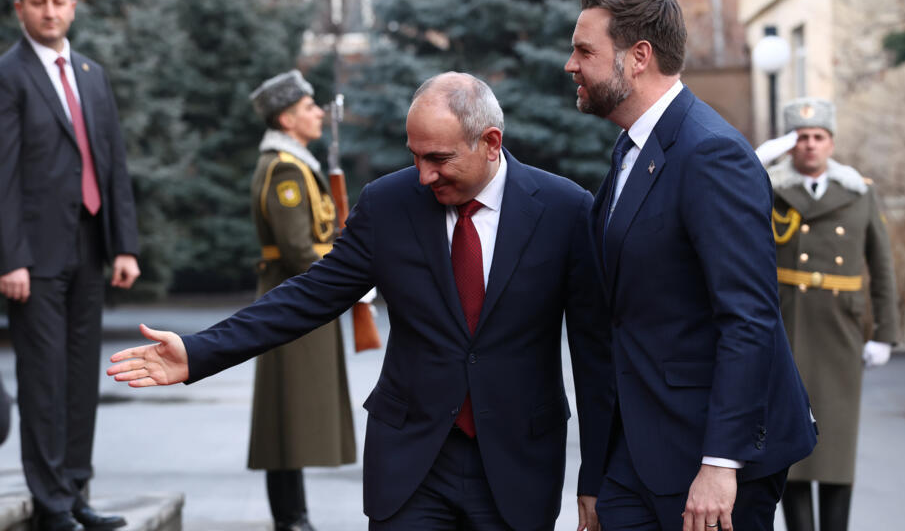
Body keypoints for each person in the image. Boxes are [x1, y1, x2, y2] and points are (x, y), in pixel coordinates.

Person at [107, 72, 615, 531]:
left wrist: (596, 478)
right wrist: (199, 352)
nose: (423, 176)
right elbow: (310, 294)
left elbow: (595, 355)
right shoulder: (388, 204)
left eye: (438, 159)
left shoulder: (565, 211)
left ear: (490, 142)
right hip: (412, 465)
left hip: (517, 467)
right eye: (414, 156)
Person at [564, 0, 817, 531]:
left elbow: (749, 317)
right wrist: (598, 471)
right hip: (641, 447)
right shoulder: (634, 146)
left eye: (585, 51)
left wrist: (721, 464)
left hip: (711, 460)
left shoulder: (710, 152)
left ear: (638, 58)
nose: (570, 65)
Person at [0, 0, 140, 531]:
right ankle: (52, 503)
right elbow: (2, 173)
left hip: (90, 246)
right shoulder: (8, 75)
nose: (50, 12)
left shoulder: (90, 73)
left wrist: (124, 246)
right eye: (39, 3)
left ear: (74, 7)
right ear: (20, 10)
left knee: (82, 377)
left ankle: (77, 490)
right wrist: (10, 256)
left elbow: (112, 164)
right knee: (44, 379)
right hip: (33, 256)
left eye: (59, 1)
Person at [769, 98, 898, 531]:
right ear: (789, 145)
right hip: (790, 326)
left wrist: (884, 333)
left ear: (831, 143)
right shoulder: (768, 187)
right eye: (801, 138)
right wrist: (754, 162)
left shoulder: (859, 191)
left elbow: (881, 266)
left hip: (841, 328)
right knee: (793, 443)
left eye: (818, 137)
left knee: (837, 445)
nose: (810, 146)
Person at [245, 70, 358, 531]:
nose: (318, 114)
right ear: (288, 119)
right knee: (286, 414)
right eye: (310, 108)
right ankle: (291, 519)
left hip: (300, 297)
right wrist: (348, 272)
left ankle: (295, 515)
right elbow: (297, 250)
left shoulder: (296, 162)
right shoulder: (285, 169)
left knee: (291, 412)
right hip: (292, 299)